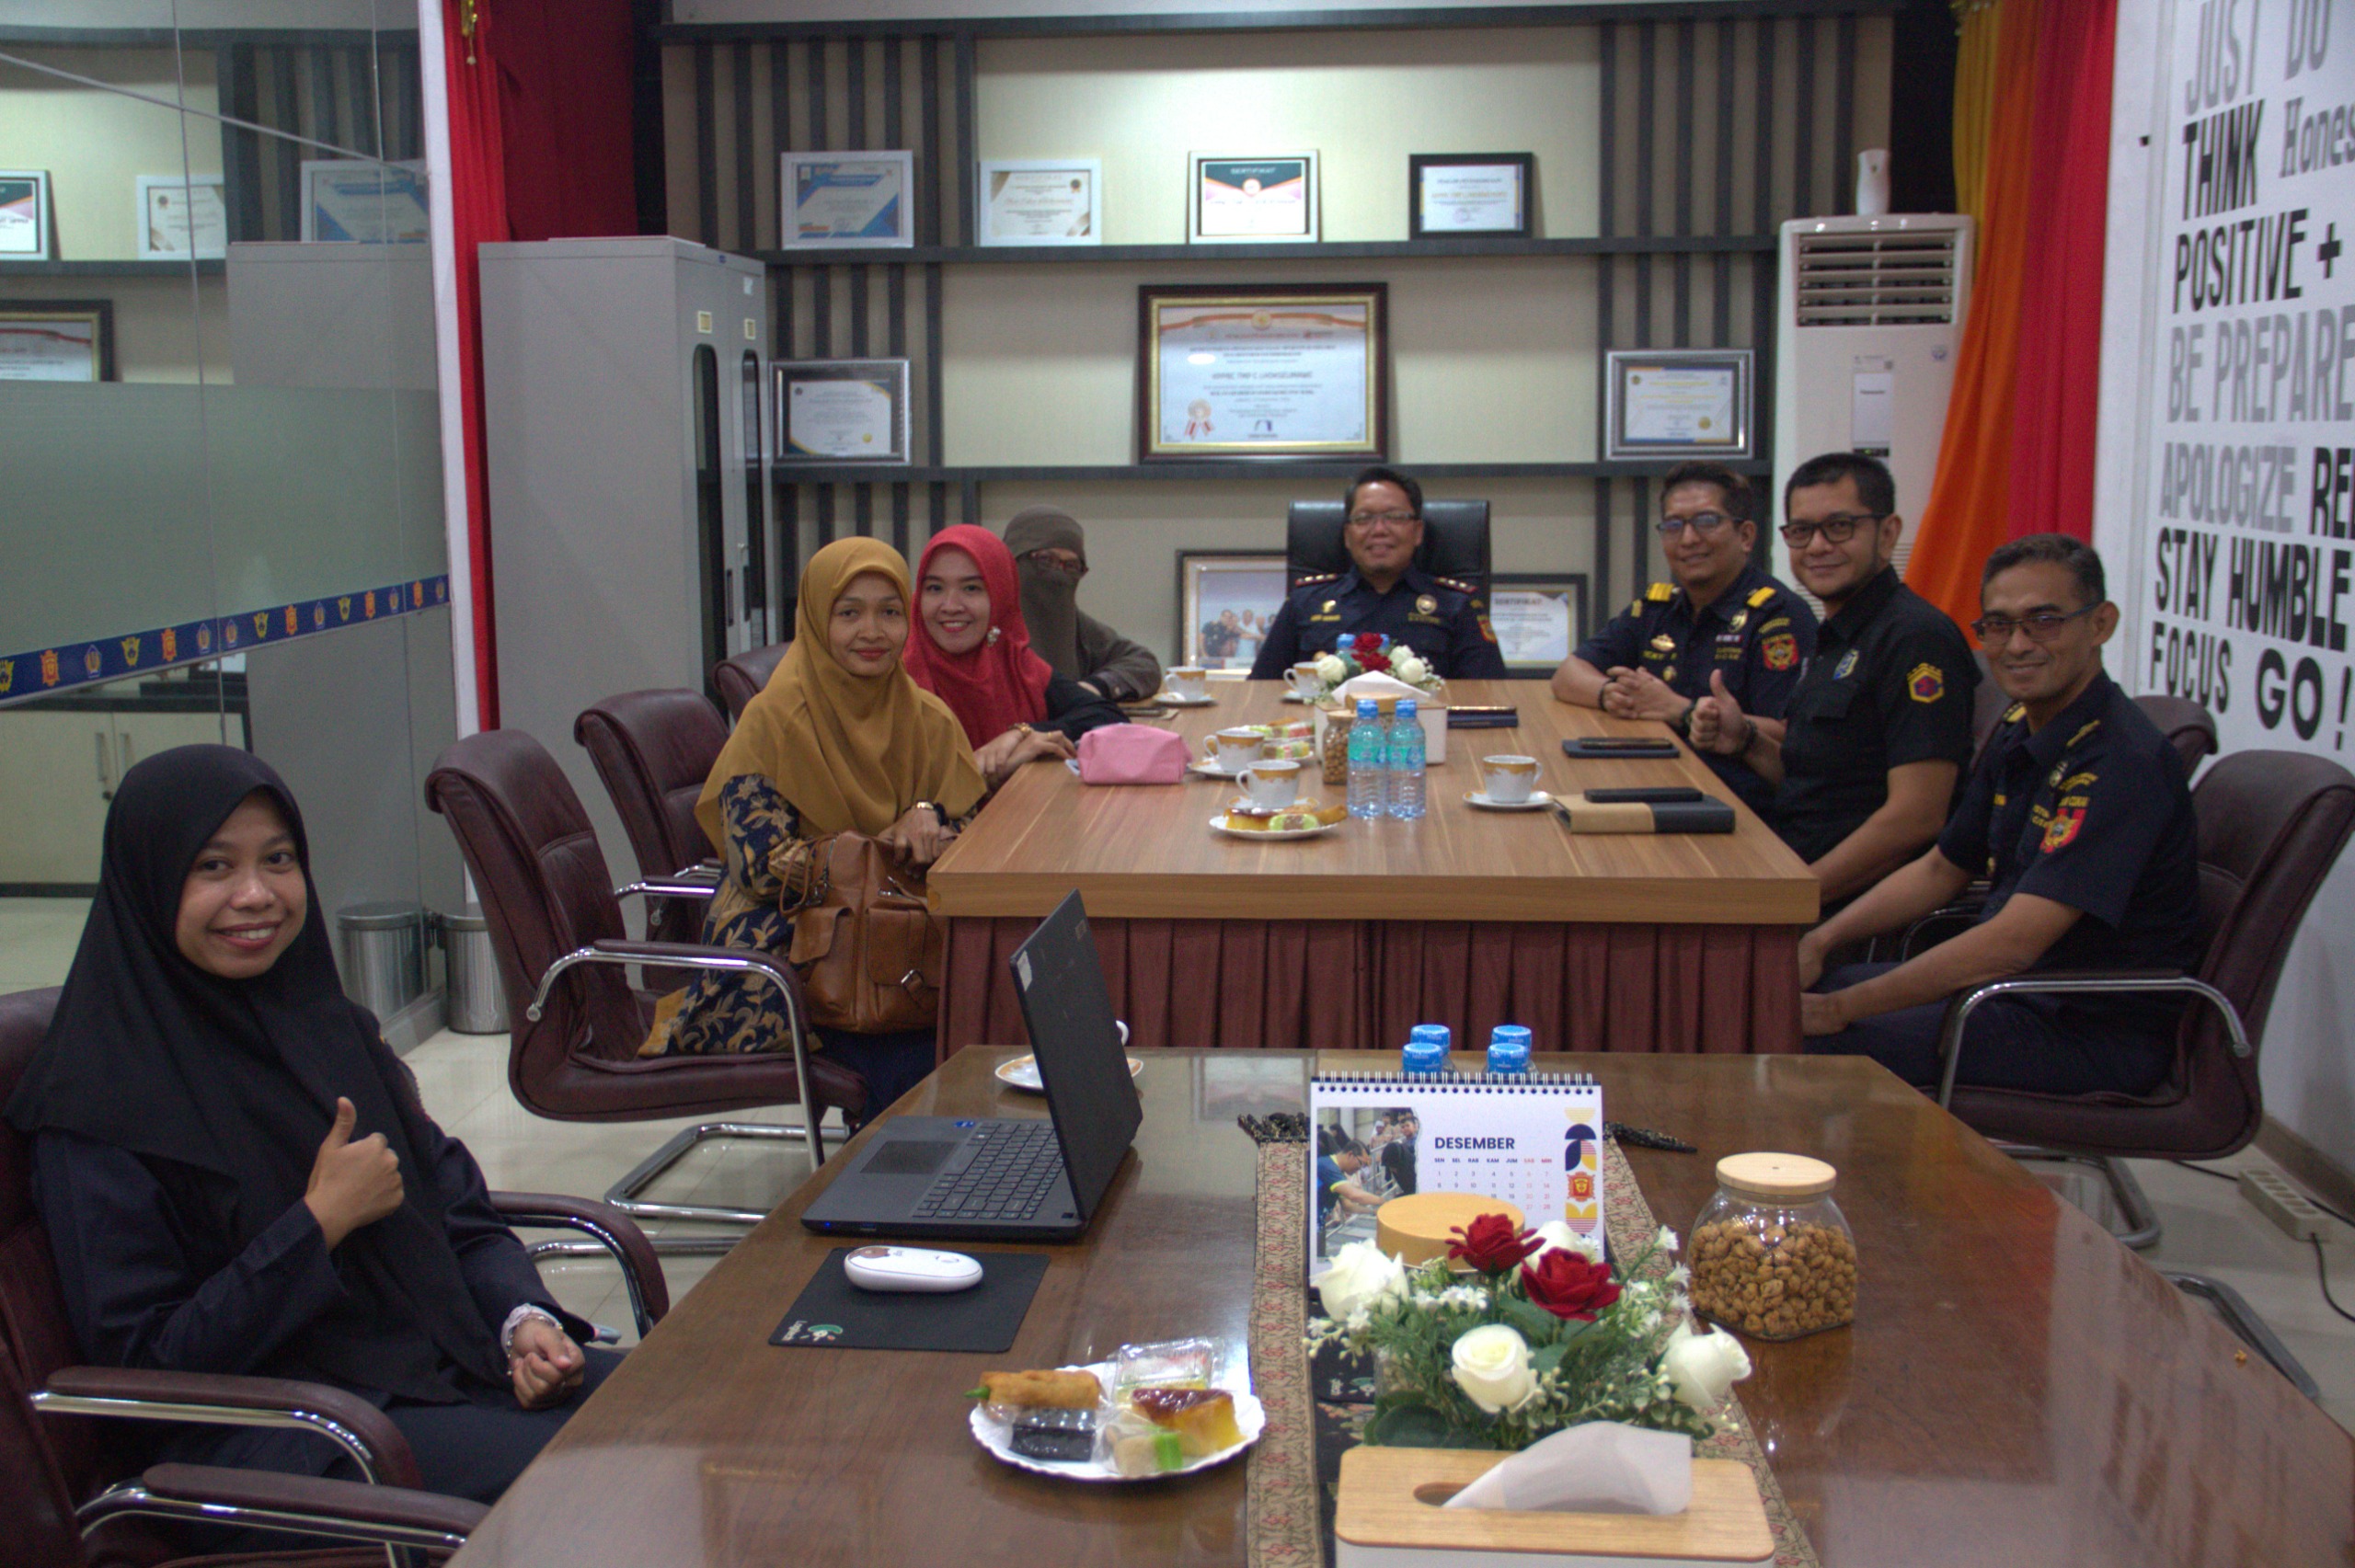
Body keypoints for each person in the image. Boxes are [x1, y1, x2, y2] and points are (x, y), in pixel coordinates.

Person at [4, 746, 615, 1515]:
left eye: (279, 859)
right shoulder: (95, 1099)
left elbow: (455, 1204)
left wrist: (519, 1318)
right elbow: (148, 1360)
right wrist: (318, 1223)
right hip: (278, 1436)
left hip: (433, 1366)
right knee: (605, 1478)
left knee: (682, 1409)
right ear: (149, 881)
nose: (255, 894)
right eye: (214, 867)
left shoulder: (328, 1028)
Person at [1798, 535, 2199, 1094]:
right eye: (1998, 626)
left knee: (1805, 1039)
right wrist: (1821, 939)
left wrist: (1842, 1009)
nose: (2017, 645)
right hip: (2011, 997)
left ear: (2100, 624)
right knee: (1805, 991)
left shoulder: (2120, 761)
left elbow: (2013, 943)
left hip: (2084, 1028)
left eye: (2044, 622)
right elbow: (1942, 867)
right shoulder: (2022, 727)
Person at [653, 537, 988, 1116]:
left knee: (990, 1013)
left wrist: (931, 816)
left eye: (889, 612)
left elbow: (974, 835)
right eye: (848, 613)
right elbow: (761, 866)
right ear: (815, 619)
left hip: (901, 943)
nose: (872, 632)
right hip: (794, 952)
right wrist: (889, 844)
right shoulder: (774, 720)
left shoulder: (928, 718)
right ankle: (889, 1170)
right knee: (910, 1055)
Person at [1689, 452, 1979, 902]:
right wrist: (1745, 740)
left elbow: (1917, 818)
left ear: (1888, 534)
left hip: (1848, 904)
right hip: (1790, 864)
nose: (1817, 546)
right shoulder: (1836, 637)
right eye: (1801, 531)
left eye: (1840, 527)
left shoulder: (1914, 639)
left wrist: (1791, 900)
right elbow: (1818, 783)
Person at [1551, 462, 1817, 818]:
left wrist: (1679, 709)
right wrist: (1610, 694)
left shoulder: (1777, 616)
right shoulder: (1657, 608)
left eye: (1706, 521)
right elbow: (1567, 673)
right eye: (1674, 525)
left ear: (1745, 536)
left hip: (1737, 808)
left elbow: (1793, 737)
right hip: (1659, 783)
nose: (1688, 539)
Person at [903, 524, 1125, 785]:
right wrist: (985, 774)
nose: (950, 606)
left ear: (1000, 596)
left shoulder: (1014, 662)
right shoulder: (895, 676)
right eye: (934, 588)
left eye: (971, 588)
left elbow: (1107, 716)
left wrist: (1022, 733)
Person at [1248, 465, 1510, 681]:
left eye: (1395, 517)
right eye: (1364, 519)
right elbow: (1261, 691)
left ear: (1418, 532)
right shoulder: (1305, 603)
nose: (1379, 530)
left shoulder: (1457, 605)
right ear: (1347, 535)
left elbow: (1488, 697)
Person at [1003, 506, 1164, 702]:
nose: (1058, 574)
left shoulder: (1073, 625)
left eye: (1071, 565)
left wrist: (1095, 687)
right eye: (1046, 559)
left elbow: (1143, 663)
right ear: (1011, 560)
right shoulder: (983, 624)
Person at [1316, 1140, 1383, 1226]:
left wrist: (1373, 1212)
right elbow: (1354, 1195)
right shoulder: (1328, 1166)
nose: (1359, 1169)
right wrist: (1382, 1201)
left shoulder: (1339, 1174)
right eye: (1360, 1163)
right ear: (1350, 1155)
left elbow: (1347, 1206)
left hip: (1318, 1224)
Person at [1378, 1110, 1419, 1196]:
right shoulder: (1403, 1144)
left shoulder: (1419, 1141)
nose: (1405, 1128)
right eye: (1403, 1127)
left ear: (1415, 1127)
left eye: (1407, 1126)